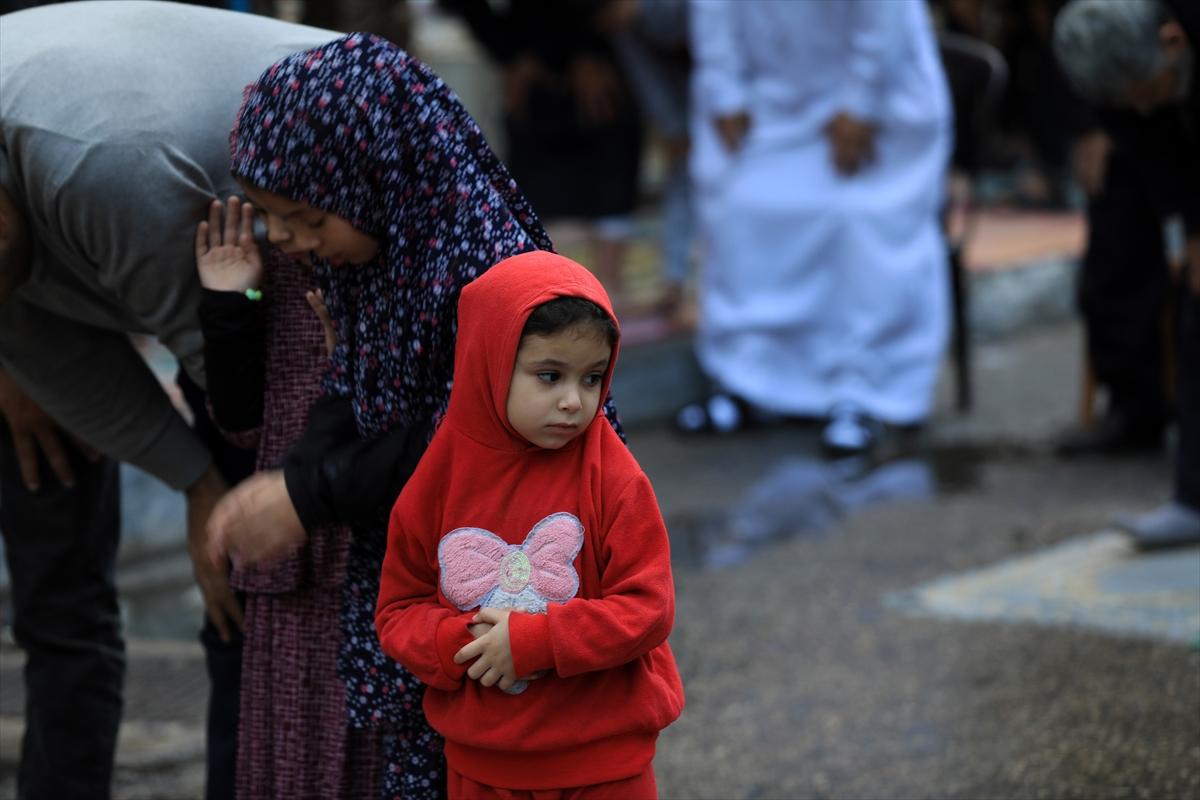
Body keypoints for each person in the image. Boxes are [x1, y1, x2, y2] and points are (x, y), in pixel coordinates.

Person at [193, 33, 620, 798]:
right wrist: (302, 475)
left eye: (303, 217)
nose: (288, 241)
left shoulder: (483, 267)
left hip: (508, 620)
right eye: (271, 217)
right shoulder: (387, 246)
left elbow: (469, 443)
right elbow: (361, 391)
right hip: (441, 608)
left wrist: (306, 495)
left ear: (372, 174)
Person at [0, 4, 336, 798]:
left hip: (310, 230)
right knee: (242, 583)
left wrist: (225, 492)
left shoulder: (101, 165)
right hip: (224, 266)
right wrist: (195, 481)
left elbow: (235, 390)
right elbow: (63, 362)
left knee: (267, 574)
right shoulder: (40, 207)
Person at [375, 250, 684, 798]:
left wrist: (536, 641)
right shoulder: (438, 481)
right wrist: (461, 641)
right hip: (483, 764)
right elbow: (398, 611)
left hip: (603, 760)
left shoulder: (612, 475)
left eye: (592, 379)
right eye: (549, 375)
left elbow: (648, 606)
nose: (573, 401)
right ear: (489, 361)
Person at [678, 0, 953, 454]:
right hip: (773, 102)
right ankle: (747, 378)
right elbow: (713, 15)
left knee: (855, 220)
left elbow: (884, 20)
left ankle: (864, 391)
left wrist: (861, 102)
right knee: (741, 207)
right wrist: (725, 89)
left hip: (871, 102)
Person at [1053, 0, 1200, 549]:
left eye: (1147, 89)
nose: (1141, 106)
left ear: (1172, 42)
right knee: (1193, 310)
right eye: (1127, 99)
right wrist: (1190, 229)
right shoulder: (1117, 75)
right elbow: (1150, 144)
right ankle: (1194, 497)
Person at [438, 0, 644, 315]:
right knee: (534, 204)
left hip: (598, 61)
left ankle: (606, 293)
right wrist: (514, 55)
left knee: (609, 176)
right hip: (531, 63)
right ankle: (550, 301)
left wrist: (586, 50)